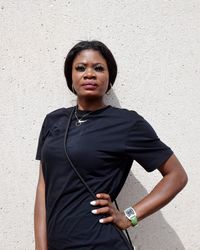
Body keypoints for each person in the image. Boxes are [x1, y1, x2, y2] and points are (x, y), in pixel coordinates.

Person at [34, 40, 188, 250]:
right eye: (81, 68)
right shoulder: (53, 121)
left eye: (98, 68)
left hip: (101, 243)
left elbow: (177, 176)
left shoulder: (127, 123)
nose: (89, 74)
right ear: (71, 77)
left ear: (110, 79)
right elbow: (43, 187)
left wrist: (128, 216)